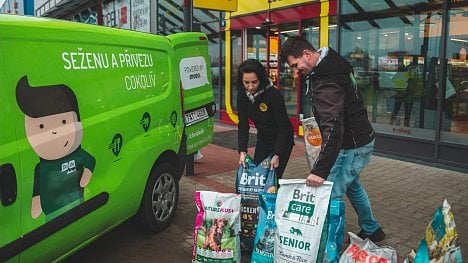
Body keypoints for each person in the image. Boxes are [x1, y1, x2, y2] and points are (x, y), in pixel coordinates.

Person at [280, 36, 386, 242]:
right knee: (353, 187)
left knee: (330, 195)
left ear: (307, 55)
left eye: (295, 65)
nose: (295, 71)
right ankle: (372, 229)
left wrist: (320, 171)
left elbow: (333, 127)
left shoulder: (328, 80)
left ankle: (328, 246)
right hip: (357, 141)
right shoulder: (329, 63)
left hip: (353, 146)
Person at [237, 59, 294, 179]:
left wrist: (277, 154)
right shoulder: (242, 95)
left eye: (254, 82)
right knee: (258, 176)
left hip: (282, 140)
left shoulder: (273, 95)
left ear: (261, 79)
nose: (250, 87)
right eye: (246, 82)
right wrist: (242, 151)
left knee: (272, 180)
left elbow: (284, 127)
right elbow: (243, 124)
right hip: (263, 140)